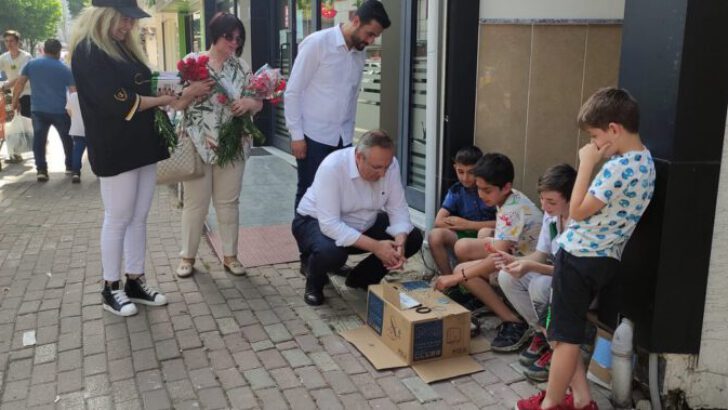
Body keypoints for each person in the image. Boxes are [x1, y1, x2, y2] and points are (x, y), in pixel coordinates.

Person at [69, 0, 213, 316]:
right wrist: (164, 98)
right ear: (104, 16)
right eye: (124, 19)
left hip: (141, 142)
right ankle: (110, 287)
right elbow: (120, 102)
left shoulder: (123, 47)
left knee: (138, 215)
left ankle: (135, 280)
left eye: (131, 20)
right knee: (118, 216)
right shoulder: (89, 51)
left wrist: (167, 91)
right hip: (115, 146)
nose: (129, 26)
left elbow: (141, 87)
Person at [516, 88, 656, 410]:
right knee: (561, 330)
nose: (593, 144)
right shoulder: (644, 161)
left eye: (595, 136)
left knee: (564, 338)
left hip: (580, 257)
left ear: (614, 130)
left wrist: (586, 163)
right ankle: (581, 399)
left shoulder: (616, 169)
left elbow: (576, 210)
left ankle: (550, 404)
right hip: (603, 258)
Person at [176, 12, 263, 278]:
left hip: (232, 143)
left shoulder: (242, 67)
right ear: (216, 35)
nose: (234, 43)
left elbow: (258, 100)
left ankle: (230, 256)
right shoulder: (192, 62)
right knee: (196, 204)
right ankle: (187, 257)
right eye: (229, 37)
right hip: (197, 142)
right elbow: (175, 102)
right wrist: (192, 91)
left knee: (228, 203)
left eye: (238, 38)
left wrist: (249, 104)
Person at [292, 130, 423, 306]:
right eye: (377, 167)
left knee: (413, 236)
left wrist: (400, 243)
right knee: (332, 253)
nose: (383, 173)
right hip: (313, 221)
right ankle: (314, 280)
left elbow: (398, 209)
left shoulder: (389, 164)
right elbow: (329, 225)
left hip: (362, 223)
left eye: (387, 166)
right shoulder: (332, 167)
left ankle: (361, 279)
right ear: (359, 157)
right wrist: (377, 247)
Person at [285, 0, 391, 208]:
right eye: (370, 34)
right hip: (313, 136)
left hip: (343, 139)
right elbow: (293, 91)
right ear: (356, 20)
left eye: (375, 36)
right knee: (309, 193)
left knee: (338, 195)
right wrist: (296, 136)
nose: (371, 41)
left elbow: (351, 98)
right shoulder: (317, 43)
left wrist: (350, 139)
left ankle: (331, 240)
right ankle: (307, 239)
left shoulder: (359, 53)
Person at [434, 153, 543, 352]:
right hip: (517, 255)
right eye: (478, 188)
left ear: (506, 187)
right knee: (465, 246)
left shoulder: (512, 210)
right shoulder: (510, 197)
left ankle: (515, 322)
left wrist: (455, 278)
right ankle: (489, 297)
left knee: (463, 271)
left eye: (487, 190)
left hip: (530, 268)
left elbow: (497, 260)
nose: (481, 195)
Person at [493, 163, 576, 383]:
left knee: (538, 285)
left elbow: (567, 273)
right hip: (555, 274)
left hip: (575, 283)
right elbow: (540, 255)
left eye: (551, 202)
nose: (545, 206)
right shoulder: (552, 218)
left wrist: (529, 267)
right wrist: (514, 261)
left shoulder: (580, 223)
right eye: (542, 199)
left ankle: (555, 346)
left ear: (570, 198)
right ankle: (541, 332)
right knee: (507, 275)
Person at [12, 39, 74, 181]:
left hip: (38, 110)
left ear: (44, 50)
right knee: (67, 139)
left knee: (39, 140)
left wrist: (15, 101)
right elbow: (73, 91)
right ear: (58, 52)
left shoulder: (31, 64)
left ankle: (41, 170)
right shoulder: (64, 69)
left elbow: (20, 83)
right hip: (60, 111)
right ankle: (70, 166)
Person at [0, 30, 32, 123]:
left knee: (27, 122)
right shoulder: (3, 58)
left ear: (18, 42)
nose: (8, 43)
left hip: (27, 93)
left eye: (11, 41)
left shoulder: (26, 57)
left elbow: (22, 78)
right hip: (14, 94)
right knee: (17, 123)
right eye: (6, 41)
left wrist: (5, 86)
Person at [65, 90, 86, 183]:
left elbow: (68, 110)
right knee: (95, 151)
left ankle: (76, 172)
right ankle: (98, 171)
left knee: (77, 151)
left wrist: (76, 118)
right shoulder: (93, 93)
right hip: (92, 129)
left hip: (77, 129)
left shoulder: (73, 96)